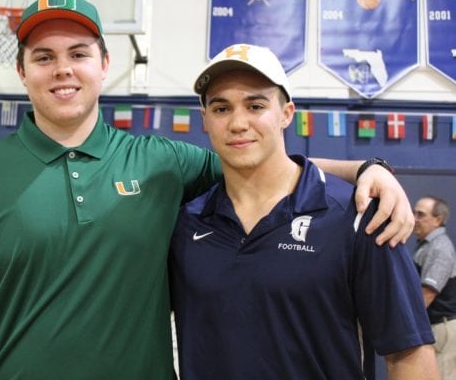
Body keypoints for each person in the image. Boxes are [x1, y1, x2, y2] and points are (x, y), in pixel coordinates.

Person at [0, 0, 414, 379]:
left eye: (78, 53)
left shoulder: (162, 163)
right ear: (22, 71)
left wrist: (367, 169)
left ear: (104, 66)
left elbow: (265, 161)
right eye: (43, 57)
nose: (62, 70)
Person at [169, 43, 438, 379]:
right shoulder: (185, 223)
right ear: (205, 120)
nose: (238, 123)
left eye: (255, 105)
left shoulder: (356, 215)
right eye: (221, 109)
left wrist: (373, 167)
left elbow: (409, 352)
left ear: (286, 113)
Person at [413, 196, 456, 377]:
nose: (414, 218)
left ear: (438, 220)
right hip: (433, 327)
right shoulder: (427, 246)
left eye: (421, 214)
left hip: (441, 329)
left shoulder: (440, 248)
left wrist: (408, 326)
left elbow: (428, 294)